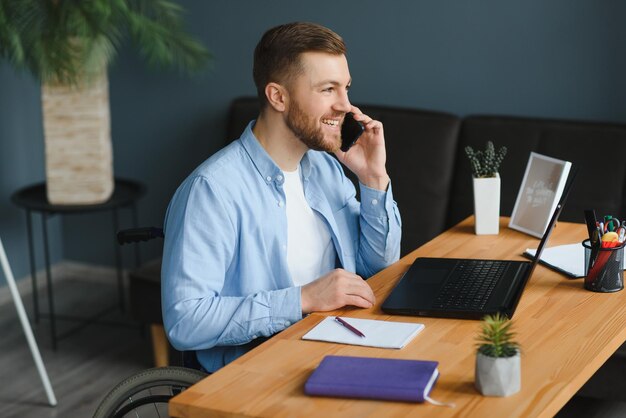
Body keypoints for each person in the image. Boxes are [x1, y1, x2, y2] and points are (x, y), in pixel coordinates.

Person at [161, 22, 402, 373]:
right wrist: (303, 299)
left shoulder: (325, 168)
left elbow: (377, 265)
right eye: (327, 89)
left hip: (335, 345)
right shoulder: (212, 191)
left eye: (346, 88)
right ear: (278, 96)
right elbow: (185, 321)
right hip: (259, 372)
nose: (346, 106)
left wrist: (373, 178)